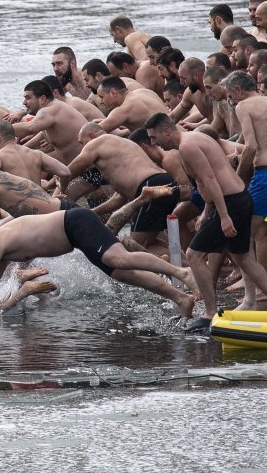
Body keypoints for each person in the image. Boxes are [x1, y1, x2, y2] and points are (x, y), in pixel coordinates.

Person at [0, 208, 197, 320]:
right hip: (75, 236)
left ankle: (181, 272)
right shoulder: (1, 249)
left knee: (119, 259)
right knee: (123, 274)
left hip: (75, 223)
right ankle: (180, 298)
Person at [146, 113, 267, 330]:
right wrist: (207, 212)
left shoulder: (187, 146)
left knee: (194, 255)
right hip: (237, 199)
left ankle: (210, 313)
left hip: (231, 203)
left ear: (166, 131)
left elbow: (211, 179)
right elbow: (206, 181)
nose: (155, 143)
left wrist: (223, 216)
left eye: (154, 138)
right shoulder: (193, 140)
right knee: (244, 258)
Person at [65, 123, 178, 254]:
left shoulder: (96, 143)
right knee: (150, 241)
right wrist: (91, 214)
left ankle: (176, 269)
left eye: (81, 142)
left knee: (135, 245)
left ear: (91, 136)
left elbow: (68, 171)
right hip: (165, 183)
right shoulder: (122, 149)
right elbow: (118, 200)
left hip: (151, 186)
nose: (82, 147)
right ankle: (184, 266)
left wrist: (58, 186)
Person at [227, 70, 267, 282]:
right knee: (262, 231)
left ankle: (258, 293)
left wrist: (237, 177)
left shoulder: (244, 106)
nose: (231, 102)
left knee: (246, 234)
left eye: (230, 96)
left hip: (264, 175)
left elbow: (251, 146)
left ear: (238, 90)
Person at [12, 80, 88, 164]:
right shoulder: (52, 109)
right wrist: (21, 150)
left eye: (28, 98)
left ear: (42, 99)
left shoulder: (50, 110)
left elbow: (30, 128)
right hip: (76, 167)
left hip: (90, 171)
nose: (24, 102)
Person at [0, 120, 72, 186]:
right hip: (40, 203)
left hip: (17, 206)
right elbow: (65, 172)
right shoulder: (37, 154)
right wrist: (60, 190)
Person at [95, 76, 168, 134]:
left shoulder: (124, 109)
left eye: (102, 97)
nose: (101, 102)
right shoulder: (145, 91)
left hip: (168, 147)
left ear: (113, 93)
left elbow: (92, 133)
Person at [41, 74, 106, 121]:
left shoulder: (71, 105)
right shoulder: (65, 104)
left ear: (55, 93)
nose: (43, 101)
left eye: (45, 97)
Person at [168, 57, 214, 123]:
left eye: (183, 78)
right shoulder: (190, 93)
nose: (181, 82)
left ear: (196, 75)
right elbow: (173, 116)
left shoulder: (216, 91)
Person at [203, 65, 241, 141]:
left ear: (221, 82)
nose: (207, 93)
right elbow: (213, 129)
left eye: (209, 87)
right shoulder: (222, 102)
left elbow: (245, 134)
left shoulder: (238, 101)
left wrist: (226, 143)